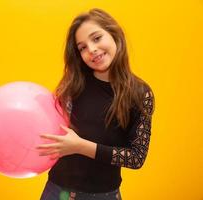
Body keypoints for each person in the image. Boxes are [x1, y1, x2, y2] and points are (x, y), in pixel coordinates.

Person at [36, 8, 154, 200]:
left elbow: (136, 157)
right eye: (82, 47)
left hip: (104, 196)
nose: (91, 49)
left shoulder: (140, 94)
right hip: (58, 193)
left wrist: (80, 146)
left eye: (97, 38)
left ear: (115, 35)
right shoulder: (73, 85)